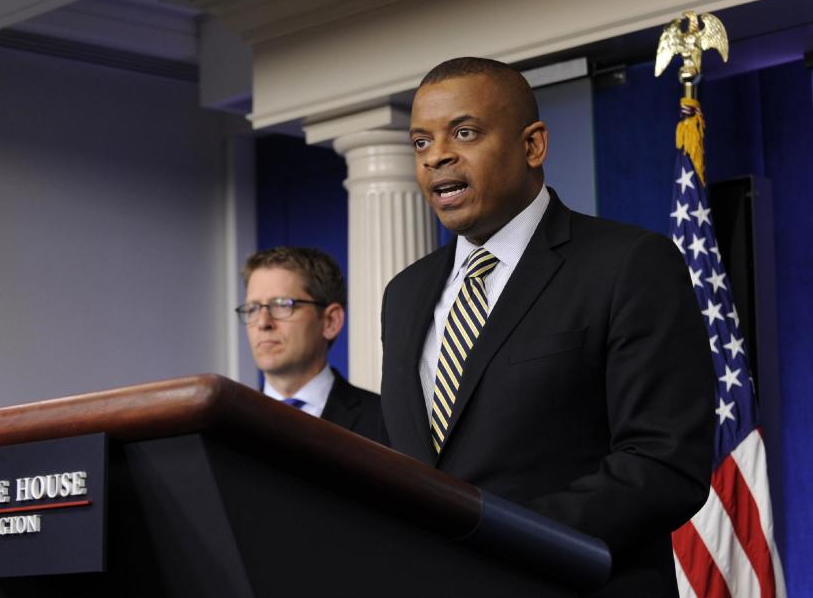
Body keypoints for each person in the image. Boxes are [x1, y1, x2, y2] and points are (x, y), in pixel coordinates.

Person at [380, 57, 714, 596]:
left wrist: (498, 539)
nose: (437, 155)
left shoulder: (628, 263)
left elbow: (664, 463)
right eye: (420, 142)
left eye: (463, 132)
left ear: (533, 145)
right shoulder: (404, 294)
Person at [238, 246, 385, 443]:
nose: (263, 323)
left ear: (330, 322)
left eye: (282, 305)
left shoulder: (383, 421)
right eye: (253, 308)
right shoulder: (227, 422)